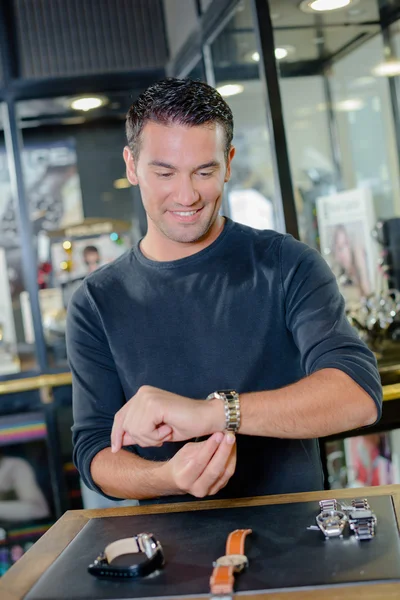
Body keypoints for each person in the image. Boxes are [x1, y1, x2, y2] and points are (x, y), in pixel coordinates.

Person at [67, 78, 382, 505]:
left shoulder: (287, 263)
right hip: (170, 555)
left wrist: (213, 414)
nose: (187, 194)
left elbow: (358, 395)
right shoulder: (96, 302)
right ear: (131, 165)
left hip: (297, 542)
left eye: (205, 170)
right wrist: (169, 476)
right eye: (164, 172)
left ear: (228, 162)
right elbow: (95, 453)